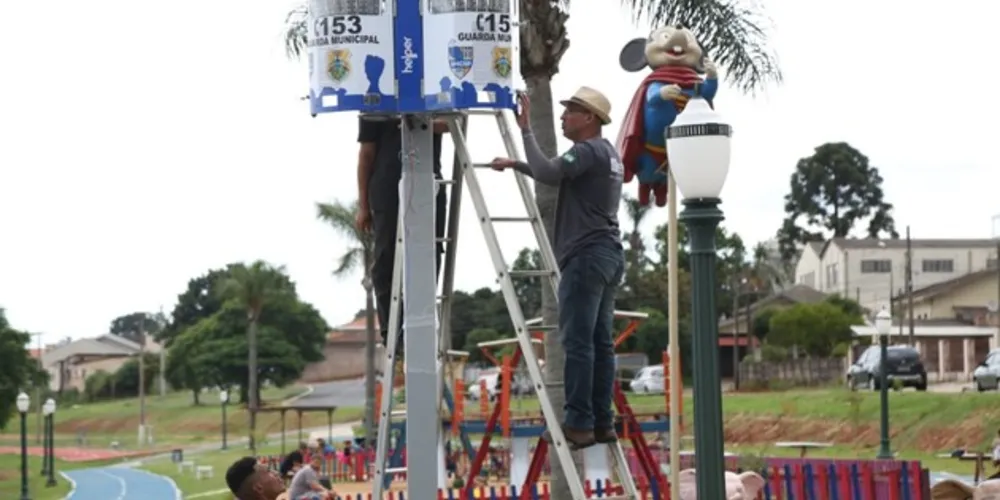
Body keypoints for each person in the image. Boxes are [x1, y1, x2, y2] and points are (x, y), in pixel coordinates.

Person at [490, 86, 624, 449]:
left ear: (589, 118)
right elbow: (558, 173)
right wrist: (517, 164)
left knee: (578, 344)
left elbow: (550, 172)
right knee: (600, 343)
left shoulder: (588, 150)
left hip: (585, 256)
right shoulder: (607, 154)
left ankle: (579, 424)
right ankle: (601, 422)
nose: (563, 117)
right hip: (608, 254)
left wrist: (525, 130)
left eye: (570, 112)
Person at [355, 116, 450, 351]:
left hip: (428, 183)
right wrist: (364, 206)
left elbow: (450, 123)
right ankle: (393, 334)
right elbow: (366, 155)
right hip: (387, 186)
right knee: (386, 260)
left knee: (430, 254)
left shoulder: (433, 88)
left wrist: (418, 118)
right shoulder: (375, 97)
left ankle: (422, 323)